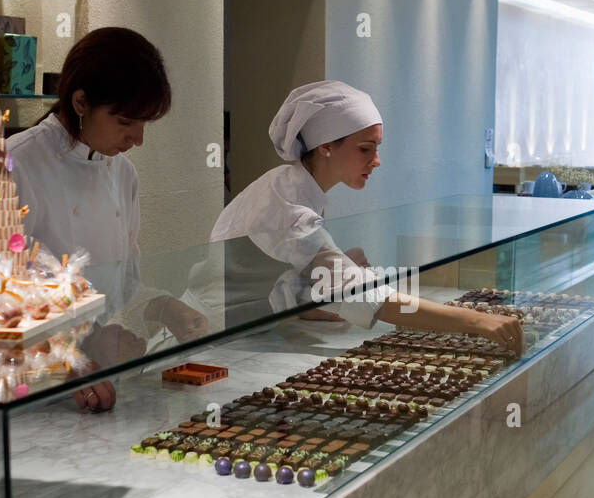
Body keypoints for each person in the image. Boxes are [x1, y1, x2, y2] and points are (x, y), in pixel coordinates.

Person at [208, 81, 522, 355]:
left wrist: (315, 292)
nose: (376, 161)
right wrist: (477, 320)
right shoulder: (289, 208)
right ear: (327, 146)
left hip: (246, 334)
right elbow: (370, 297)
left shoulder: (294, 187)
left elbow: (272, 272)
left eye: (376, 148)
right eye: (365, 149)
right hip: (206, 338)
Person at [9, 28, 206, 410]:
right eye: (126, 121)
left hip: (100, 385)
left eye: (145, 123)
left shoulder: (123, 174)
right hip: (26, 392)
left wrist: (163, 307)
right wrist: (62, 359)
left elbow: (119, 283)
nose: (138, 138)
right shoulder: (14, 165)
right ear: (80, 101)